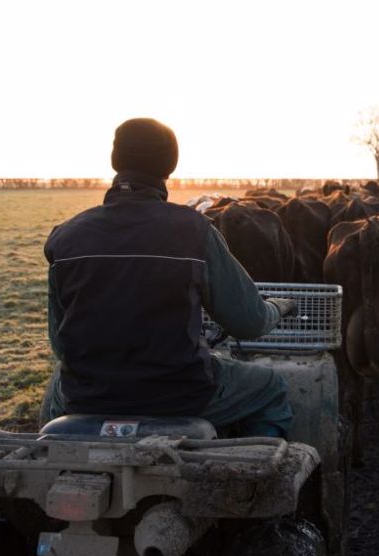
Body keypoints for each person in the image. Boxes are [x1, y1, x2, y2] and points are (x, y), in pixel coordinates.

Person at [39, 117, 296, 438]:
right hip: (180, 396)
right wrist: (278, 307)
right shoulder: (196, 231)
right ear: (169, 165)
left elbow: (60, 343)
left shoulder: (65, 237)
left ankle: (53, 460)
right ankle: (259, 476)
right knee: (270, 387)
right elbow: (249, 322)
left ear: (115, 161)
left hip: (87, 396)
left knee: (53, 397)